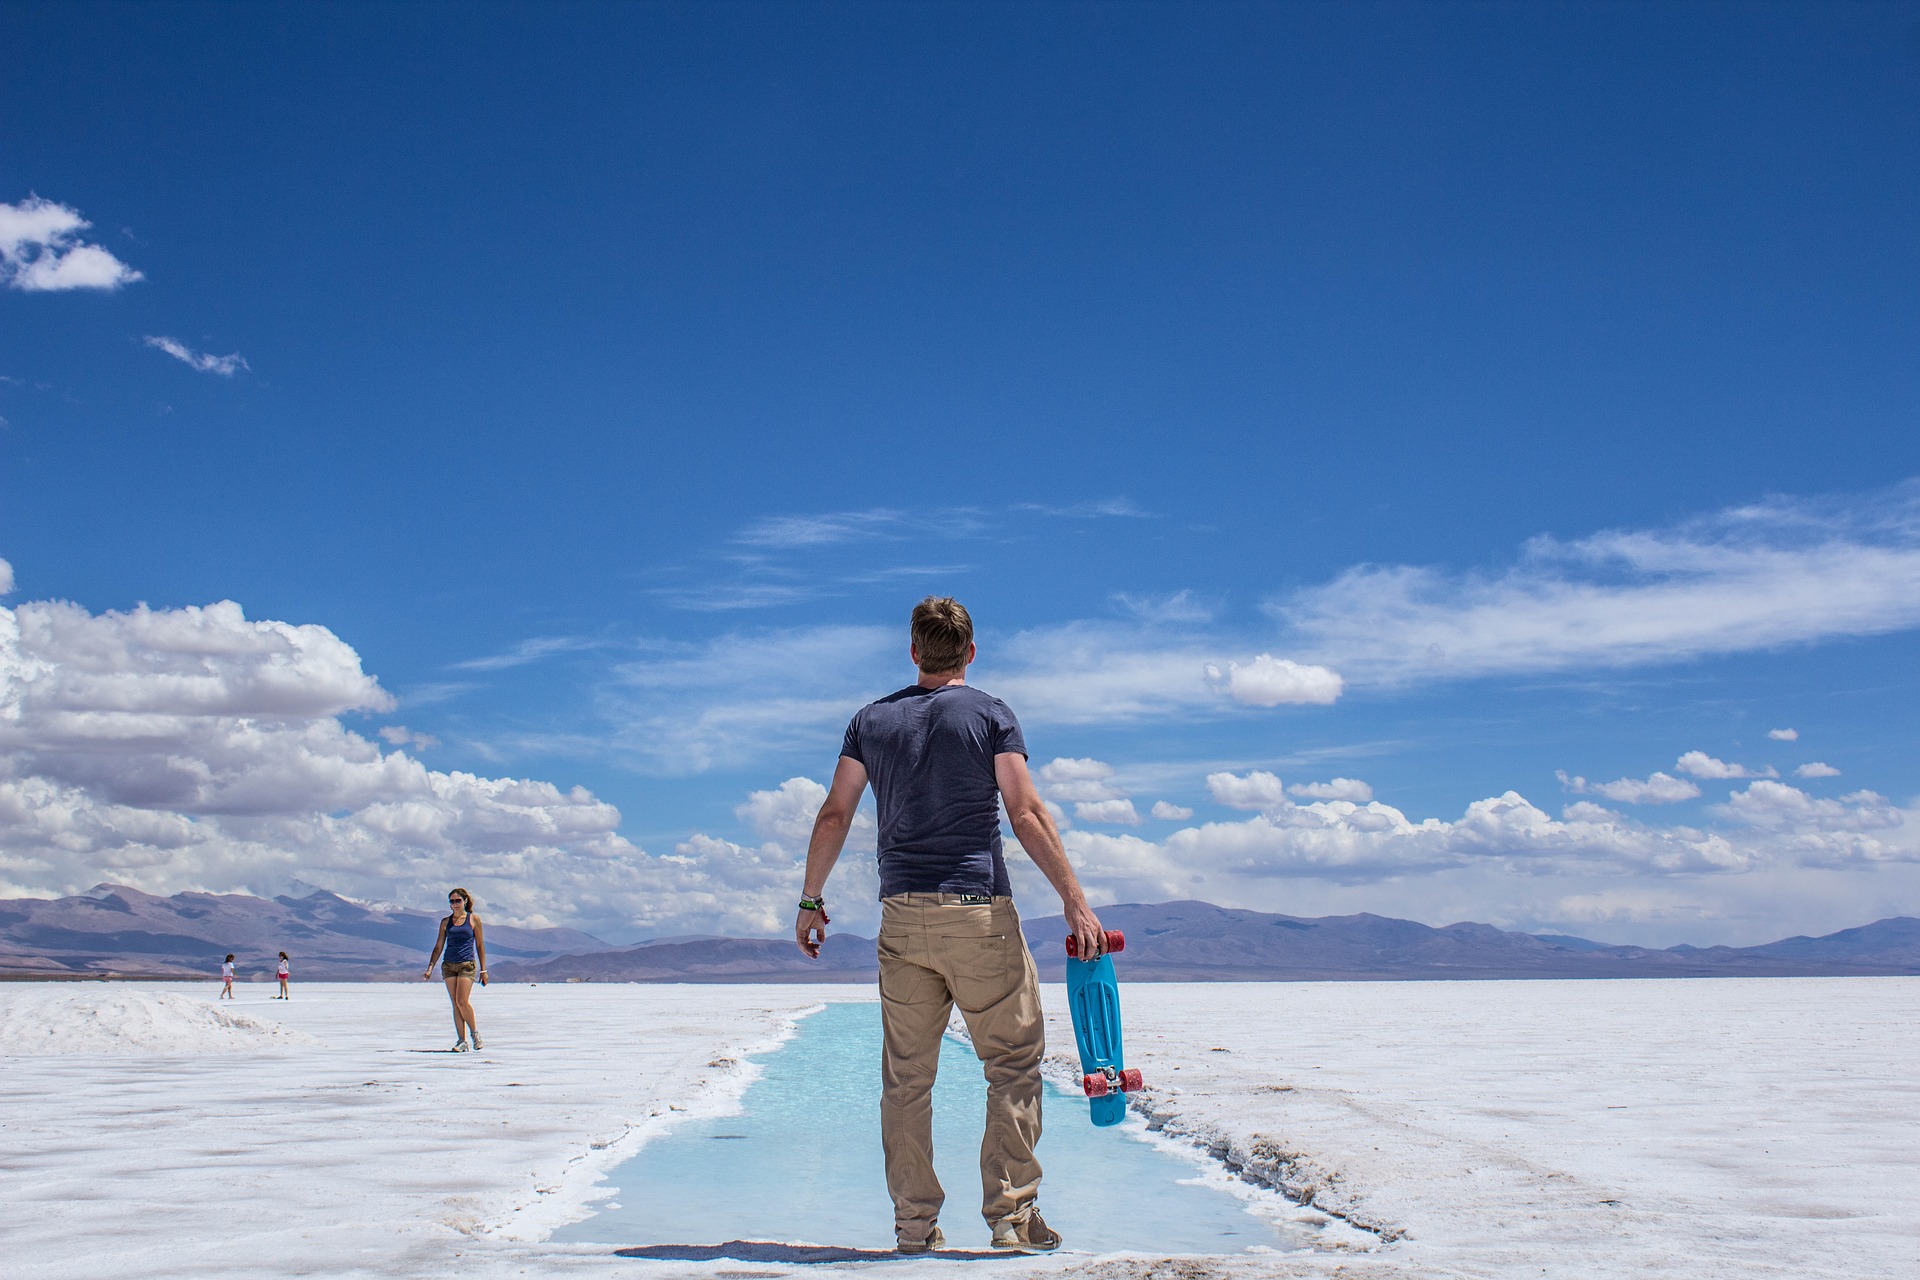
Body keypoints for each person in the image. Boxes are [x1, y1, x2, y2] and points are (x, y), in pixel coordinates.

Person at [795, 596, 1105, 1255]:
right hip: (979, 912)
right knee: (1013, 1064)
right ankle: (1013, 1221)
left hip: (903, 916)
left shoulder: (869, 722)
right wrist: (1076, 902)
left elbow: (834, 815)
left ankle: (914, 1229)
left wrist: (810, 899)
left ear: (913, 652)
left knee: (908, 1078)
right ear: (970, 651)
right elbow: (1024, 812)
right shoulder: (990, 714)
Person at [423, 888, 487, 1051]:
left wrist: (483, 970)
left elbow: (479, 945)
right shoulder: (446, 922)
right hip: (449, 965)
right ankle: (461, 1041)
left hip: (467, 965)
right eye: (451, 901)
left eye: (457, 900)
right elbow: (438, 946)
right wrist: (430, 967)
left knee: (462, 1001)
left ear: (465, 901)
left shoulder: (473, 920)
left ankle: (475, 1034)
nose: (454, 904)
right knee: (455, 1004)